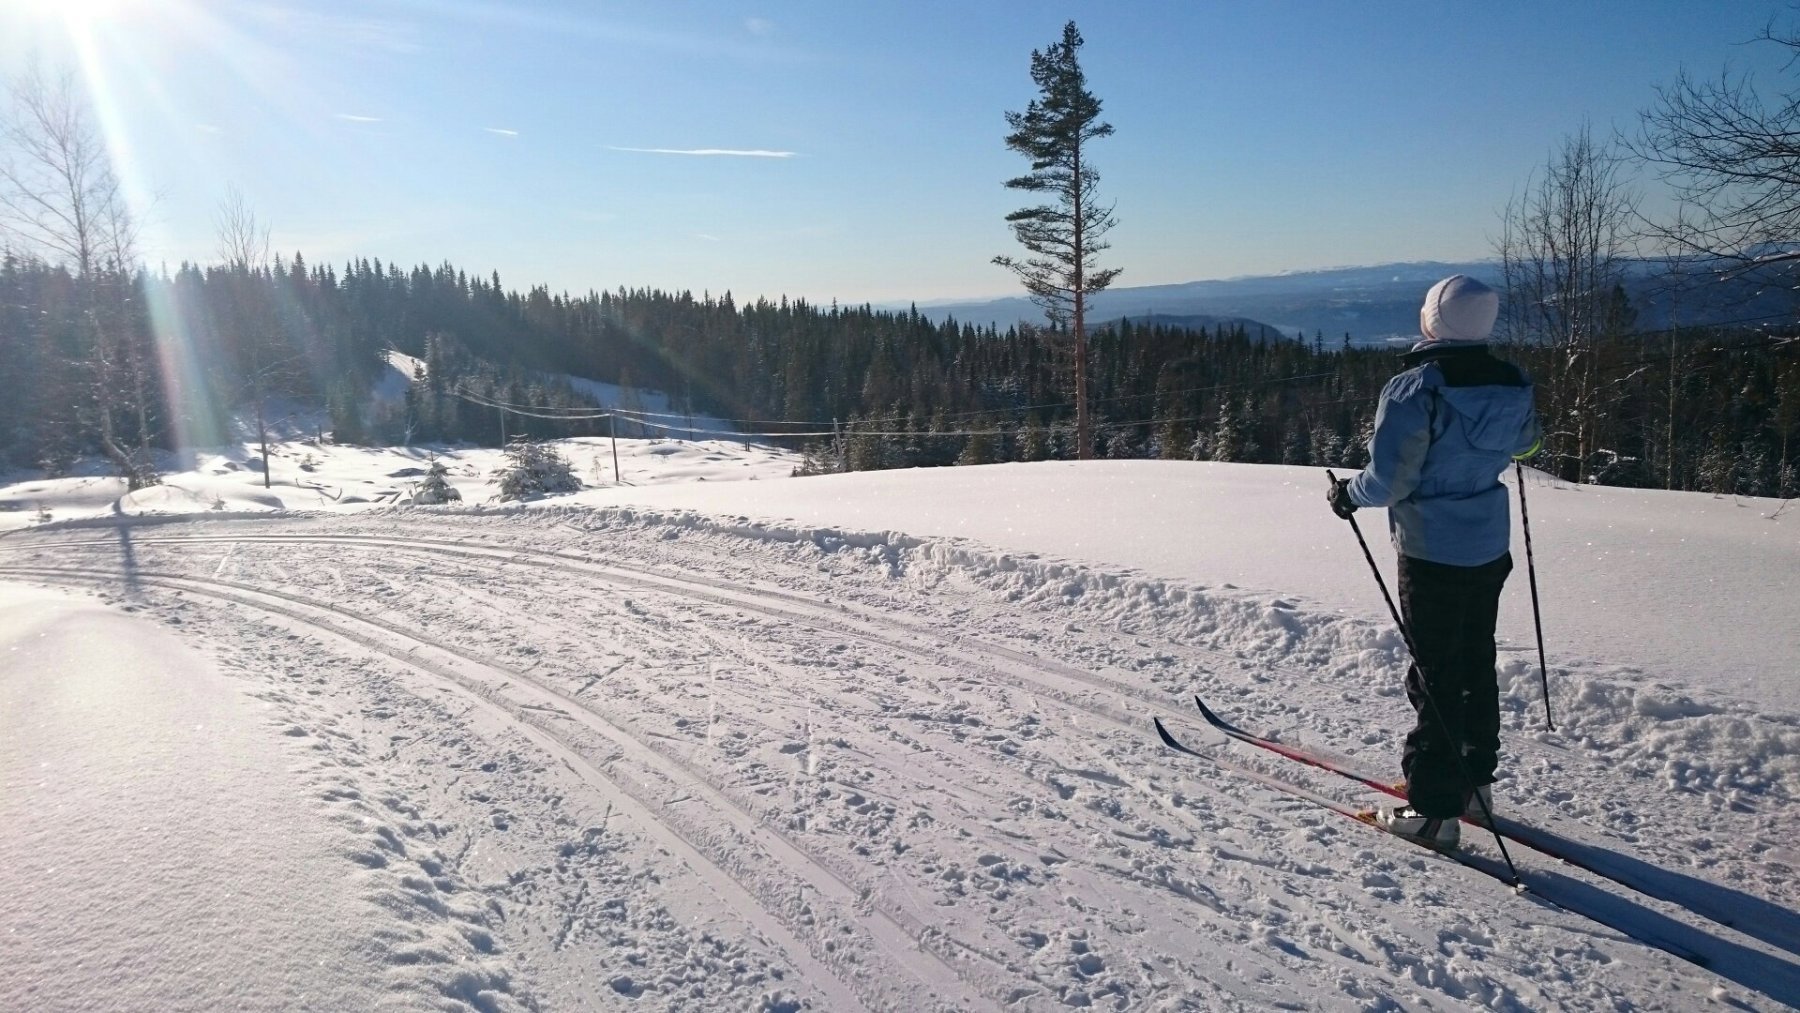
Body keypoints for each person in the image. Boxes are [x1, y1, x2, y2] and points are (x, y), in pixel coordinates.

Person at [1326, 274, 1541, 851]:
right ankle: (1472, 784)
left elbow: (1392, 479)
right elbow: (1527, 447)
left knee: (1436, 671)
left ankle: (1432, 809)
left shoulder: (1415, 388)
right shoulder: (1513, 380)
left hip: (1431, 548)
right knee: (1474, 660)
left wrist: (1348, 494)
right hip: (1489, 544)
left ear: (1435, 320)